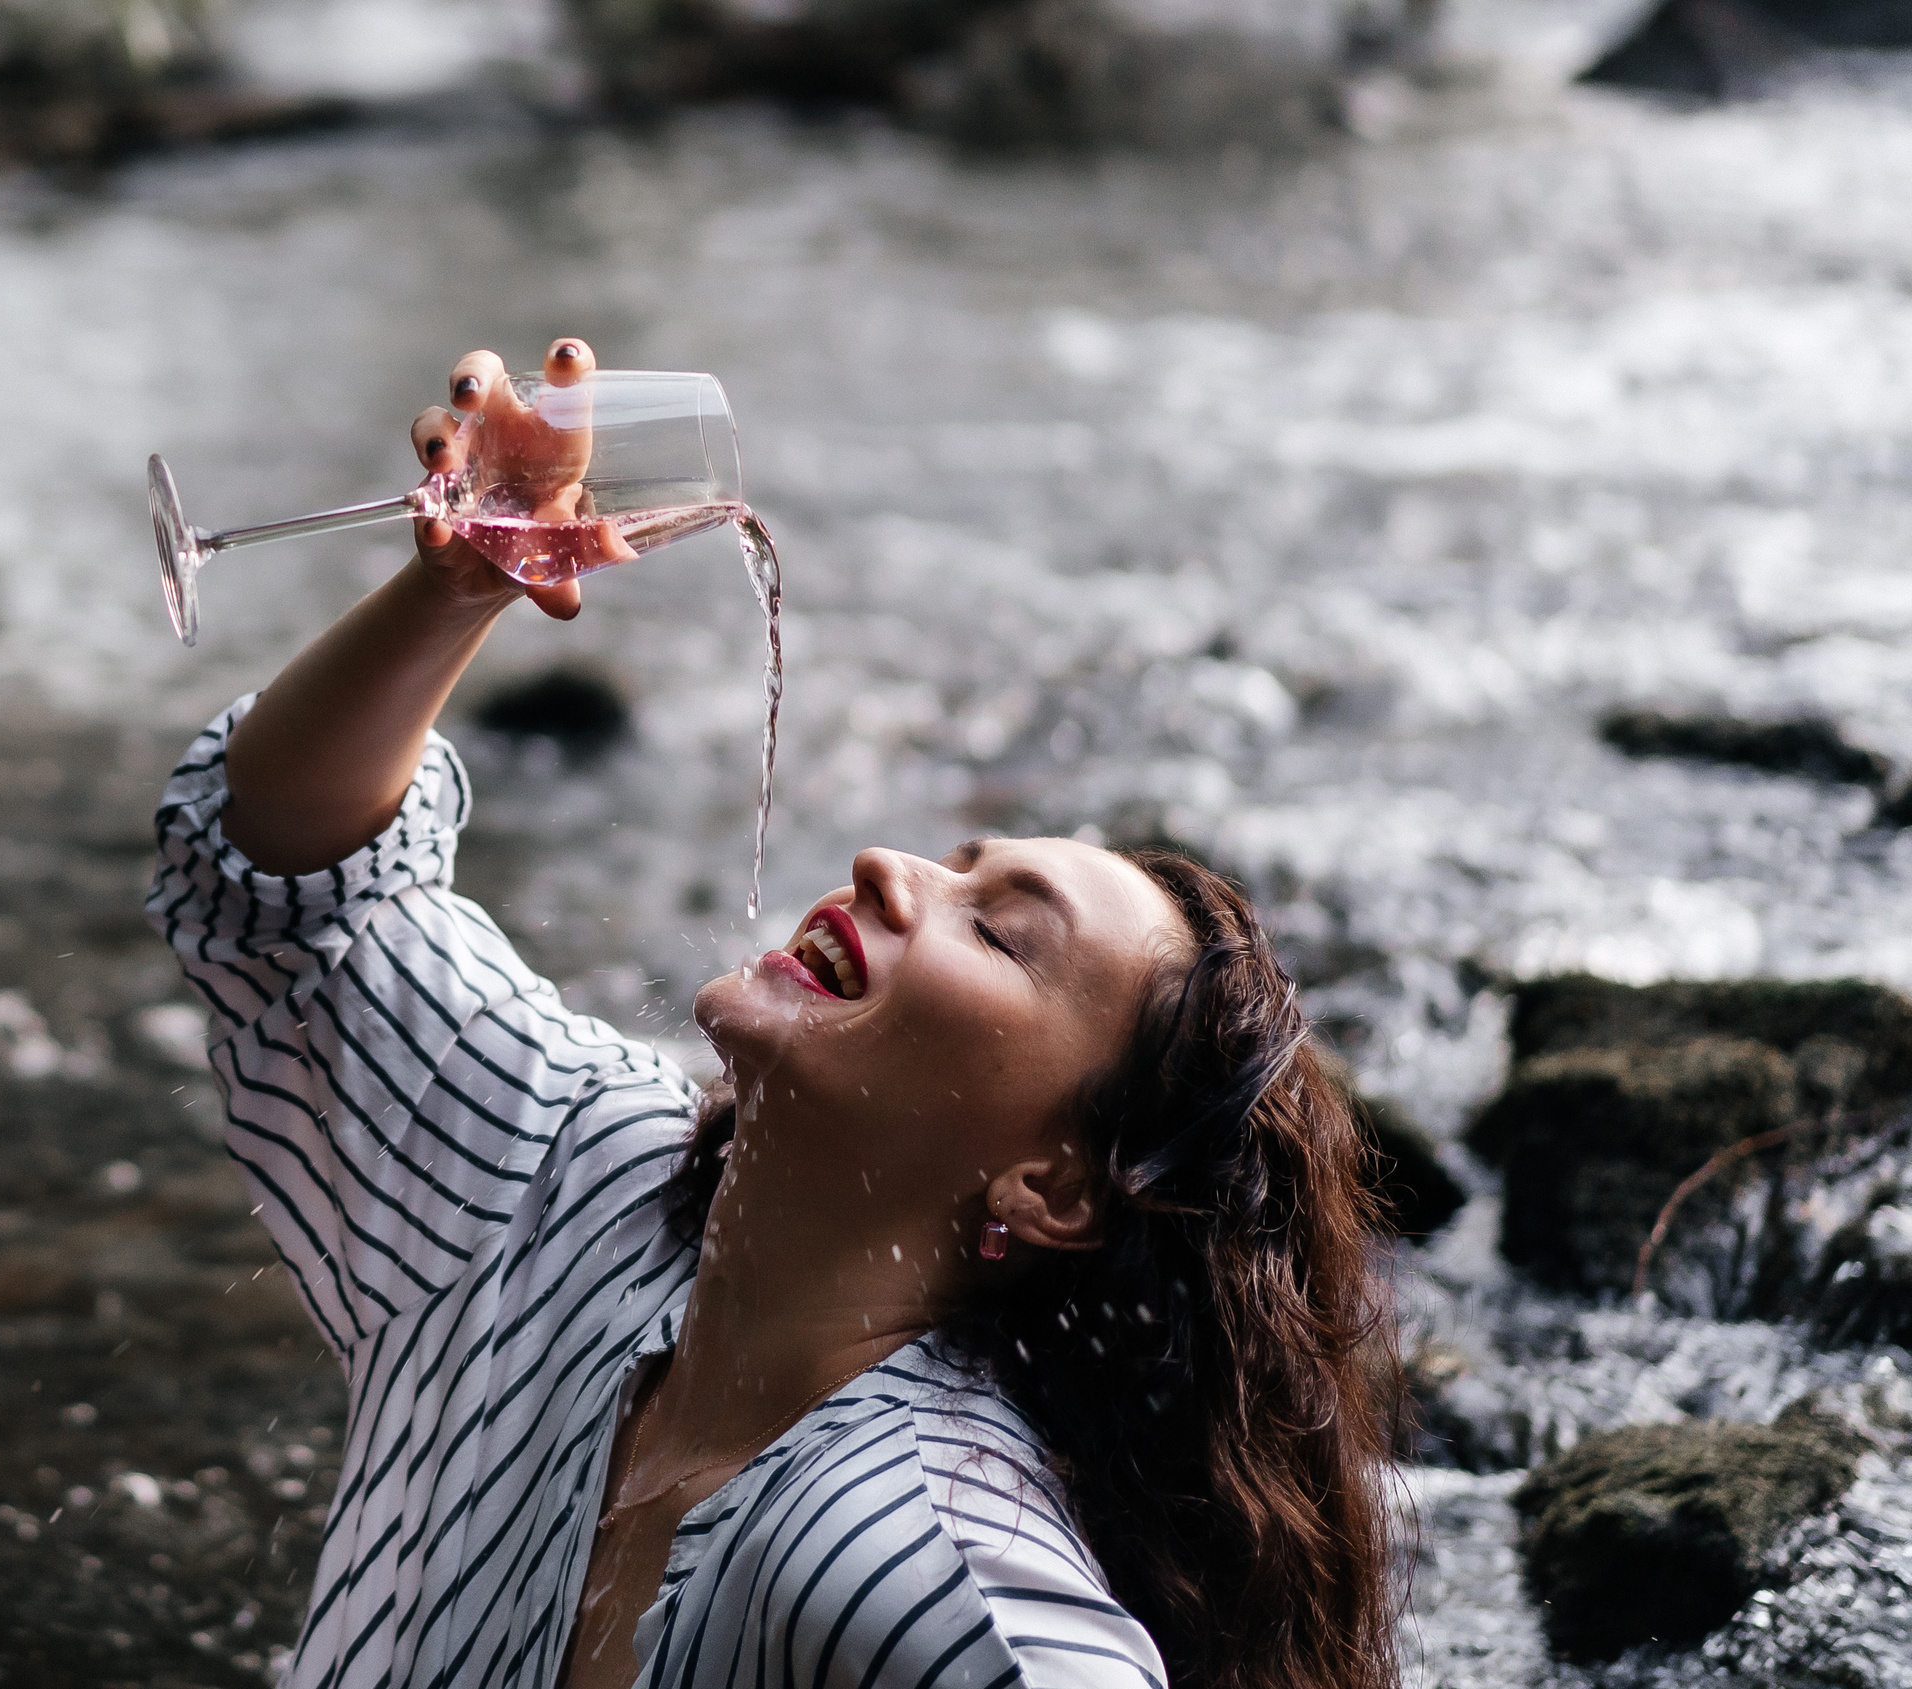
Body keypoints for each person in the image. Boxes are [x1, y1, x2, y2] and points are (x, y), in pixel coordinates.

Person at [146, 339, 1399, 1689]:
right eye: (958, 858)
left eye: (1001, 929)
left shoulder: (917, 1570)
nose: (890, 868)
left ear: (1049, 1184)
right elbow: (285, 890)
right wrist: (452, 591)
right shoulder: (570, 1180)